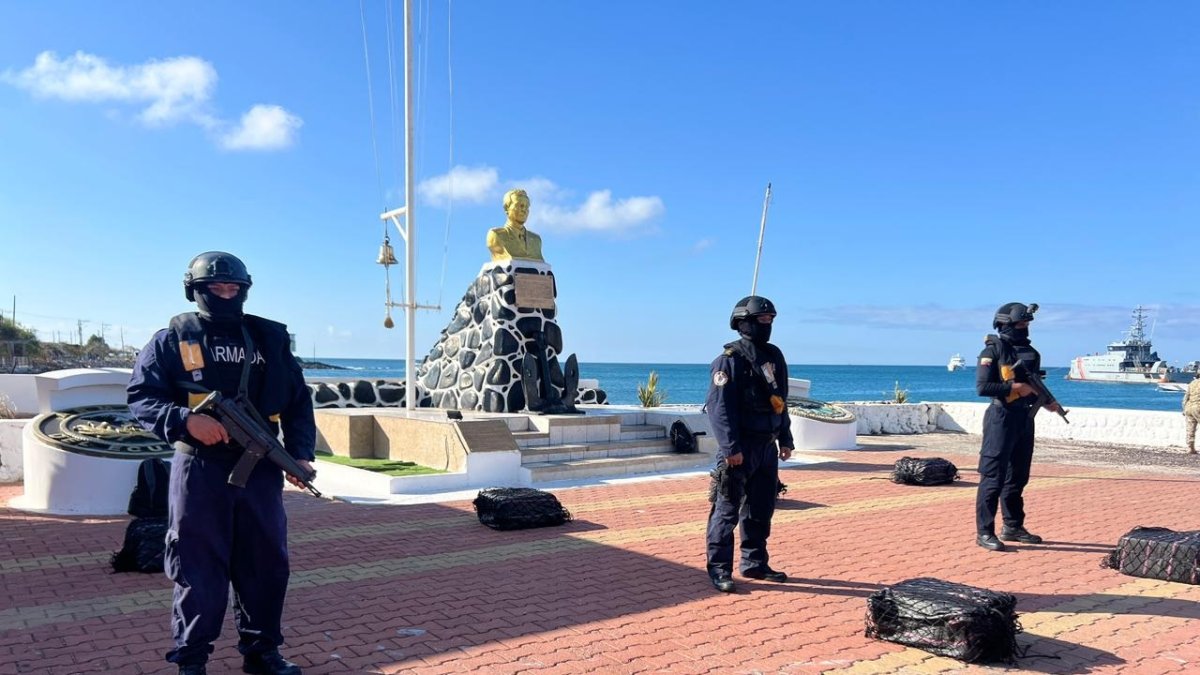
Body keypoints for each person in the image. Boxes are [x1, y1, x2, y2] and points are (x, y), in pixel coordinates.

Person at [127, 251, 315, 675]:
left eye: (234, 288)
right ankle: (191, 659)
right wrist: (185, 421)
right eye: (216, 288)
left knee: (266, 563)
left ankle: (262, 652)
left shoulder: (269, 339)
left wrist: (300, 453)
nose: (226, 294)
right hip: (200, 469)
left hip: (260, 467)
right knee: (197, 564)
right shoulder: (173, 339)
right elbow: (141, 397)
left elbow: (298, 401)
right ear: (196, 290)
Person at [704, 295, 794, 592]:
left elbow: (781, 400)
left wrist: (785, 438)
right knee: (727, 510)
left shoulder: (774, 356)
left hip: (767, 447)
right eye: (762, 320)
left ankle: (754, 564)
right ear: (743, 322)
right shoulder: (729, 361)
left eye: (770, 320)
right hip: (739, 449)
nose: (767, 325)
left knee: (760, 509)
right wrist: (731, 449)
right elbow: (720, 409)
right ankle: (719, 569)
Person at [973, 302, 1062, 552]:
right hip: (1000, 420)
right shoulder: (993, 351)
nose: (1025, 328)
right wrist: (1015, 388)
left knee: (1018, 477)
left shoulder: (1031, 353)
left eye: (1027, 324)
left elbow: (1034, 386)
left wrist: (1048, 402)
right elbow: (983, 388)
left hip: (1025, 418)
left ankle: (1013, 526)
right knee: (993, 477)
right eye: (1021, 324)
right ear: (1006, 324)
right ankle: (984, 532)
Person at [486, 188, 544, 262]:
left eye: (527, 207)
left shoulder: (536, 240)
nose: (524, 210)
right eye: (520, 205)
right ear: (507, 208)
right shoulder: (496, 235)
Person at [1183, 374, 1200, 454]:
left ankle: (1190, 448)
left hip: (1189, 407)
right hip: (1198, 407)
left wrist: (1184, 408)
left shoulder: (1192, 383)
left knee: (1190, 429)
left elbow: (1186, 397)